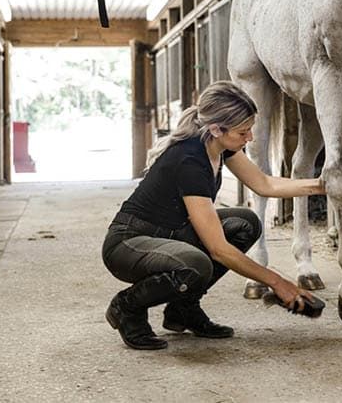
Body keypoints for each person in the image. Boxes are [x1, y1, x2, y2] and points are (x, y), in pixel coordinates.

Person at [102, 80, 325, 350]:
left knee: (245, 223)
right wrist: (278, 282)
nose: (249, 138)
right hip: (129, 244)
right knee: (197, 263)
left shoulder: (222, 146)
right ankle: (126, 307)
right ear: (217, 129)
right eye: (244, 132)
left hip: (170, 235)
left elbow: (265, 184)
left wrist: (321, 186)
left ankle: (183, 309)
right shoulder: (190, 160)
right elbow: (219, 250)